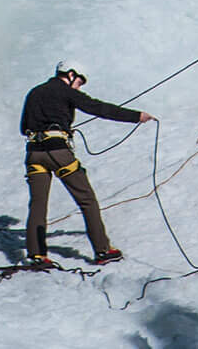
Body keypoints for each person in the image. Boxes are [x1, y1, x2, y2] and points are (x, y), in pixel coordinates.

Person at [19, 63, 152, 266]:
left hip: (33, 155)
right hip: (58, 152)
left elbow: (23, 127)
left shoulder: (34, 92)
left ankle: (37, 255)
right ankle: (103, 250)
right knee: (87, 200)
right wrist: (136, 117)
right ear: (71, 75)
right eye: (79, 82)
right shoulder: (65, 91)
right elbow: (98, 108)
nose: (79, 88)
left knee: (37, 205)